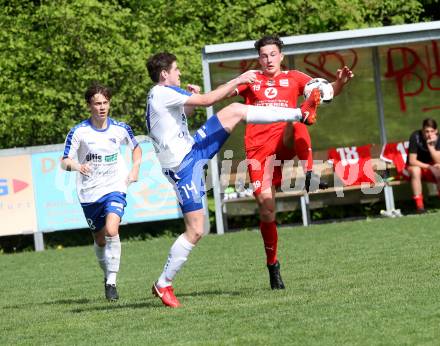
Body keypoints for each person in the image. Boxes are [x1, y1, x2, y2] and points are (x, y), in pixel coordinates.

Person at [145, 52, 321, 308]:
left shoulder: (159, 94)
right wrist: (239, 78)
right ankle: (163, 283)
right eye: (176, 69)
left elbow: (187, 111)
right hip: (184, 166)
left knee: (237, 110)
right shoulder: (162, 92)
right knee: (196, 230)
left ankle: (299, 114)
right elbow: (207, 100)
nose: (179, 73)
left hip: (191, 150)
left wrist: (191, 100)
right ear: (164, 74)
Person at [233, 35, 353, 290]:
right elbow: (221, 95)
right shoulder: (251, 79)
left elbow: (325, 91)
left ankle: (310, 170)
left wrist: (340, 83)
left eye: (273, 54)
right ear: (259, 58)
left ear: (281, 56)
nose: (268, 59)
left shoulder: (295, 77)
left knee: (297, 119)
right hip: (259, 154)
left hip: (285, 142)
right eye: (264, 55)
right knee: (267, 211)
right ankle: (273, 265)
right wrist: (198, 94)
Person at [61, 83, 142, 301]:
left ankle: (112, 282)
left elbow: (136, 147)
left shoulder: (120, 128)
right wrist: (78, 166)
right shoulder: (79, 132)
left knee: (112, 229)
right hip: (89, 192)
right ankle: (107, 275)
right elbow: (64, 162)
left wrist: (135, 168)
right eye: (97, 103)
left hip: (115, 185)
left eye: (105, 102)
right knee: (100, 240)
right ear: (89, 105)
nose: (102, 107)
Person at [406, 117, 440, 213]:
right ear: (422, 130)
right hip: (415, 168)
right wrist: (430, 167)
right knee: (416, 170)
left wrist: (431, 147)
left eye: (432, 131)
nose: (429, 134)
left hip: (431, 168)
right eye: (426, 131)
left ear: (436, 131)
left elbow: (438, 160)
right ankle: (419, 206)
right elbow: (412, 161)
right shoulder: (415, 136)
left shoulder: (438, 138)